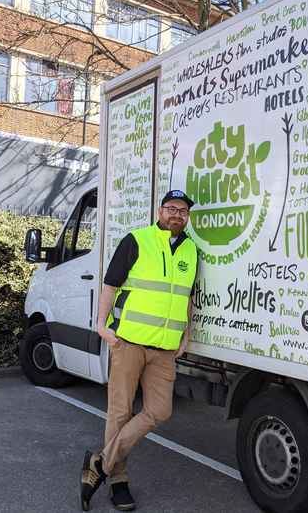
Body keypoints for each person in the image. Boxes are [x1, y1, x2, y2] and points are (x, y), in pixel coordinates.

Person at [80, 190, 198, 512]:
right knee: (120, 412)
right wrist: (101, 325)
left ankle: (99, 464)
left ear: (187, 217)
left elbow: (186, 296)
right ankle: (118, 481)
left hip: (164, 350)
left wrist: (187, 333)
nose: (177, 215)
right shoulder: (136, 240)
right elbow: (110, 284)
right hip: (129, 342)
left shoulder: (191, 250)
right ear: (160, 211)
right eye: (172, 208)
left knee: (160, 411)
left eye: (183, 211)